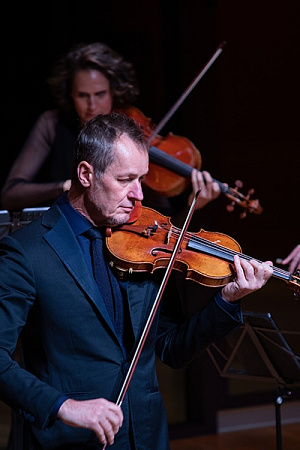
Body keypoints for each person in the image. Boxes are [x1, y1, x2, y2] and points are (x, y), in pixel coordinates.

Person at [0, 113, 273, 449]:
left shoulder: (144, 247)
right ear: (86, 174)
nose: (138, 195)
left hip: (146, 437)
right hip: (68, 440)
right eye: (126, 179)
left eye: (141, 179)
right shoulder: (26, 252)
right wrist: (63, 407)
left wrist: (227, 300)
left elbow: (172, 348)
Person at [0, 41, 220, 225]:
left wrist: (193, 206)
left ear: (114, 91)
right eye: (83, 95)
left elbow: (160, 225)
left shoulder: (130, 129)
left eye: (100, 94)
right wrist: (65, 186)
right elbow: (10, 195)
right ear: (70, 94)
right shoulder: (52, 123)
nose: (92, 105)